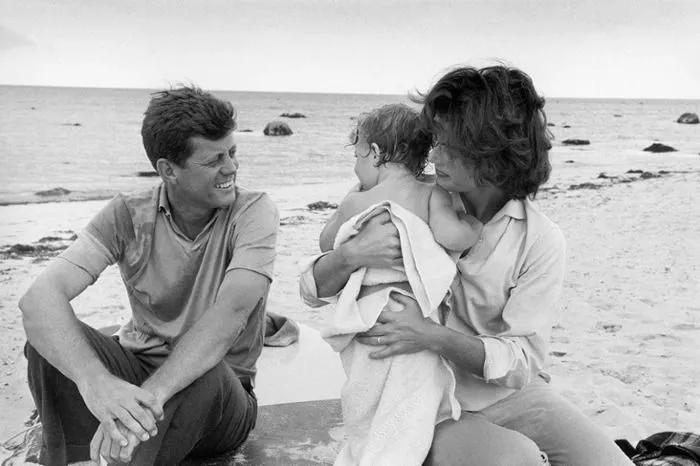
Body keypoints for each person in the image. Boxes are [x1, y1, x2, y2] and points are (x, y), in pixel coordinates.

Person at [300, 65, 634, 466]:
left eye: (449, 146)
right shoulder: (406, 197)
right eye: (435, 140)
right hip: (425, 397)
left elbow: (522, 361)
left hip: (508, 396)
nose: (434, 155)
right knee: (518, 460)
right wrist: (349, 256)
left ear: (491, 156)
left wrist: (432, 335)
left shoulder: (540, 240)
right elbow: (311, 291)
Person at [19, 86, 279, 465]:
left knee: (205, 375)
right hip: (138, 370)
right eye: (214, 160)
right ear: (167, 170)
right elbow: (37, 300)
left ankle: (133, 445)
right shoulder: (127, 214)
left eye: (233, 153)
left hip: (220, 398)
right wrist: (98, 384)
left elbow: (229, 317)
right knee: (46, 342)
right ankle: (66, 458)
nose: (231, 168)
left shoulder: (253, 212)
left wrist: (146, 402)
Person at [316, 103, 482, 465]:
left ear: (374, 154)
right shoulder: (431, 194)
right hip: (411, 317)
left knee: (364, 405)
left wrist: (352, 203)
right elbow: (452, 236)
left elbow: (327, 243)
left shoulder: (357, 200)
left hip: (366, 321)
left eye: (356, 155)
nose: (356, 165)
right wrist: (475, 225)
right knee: (408, 407)